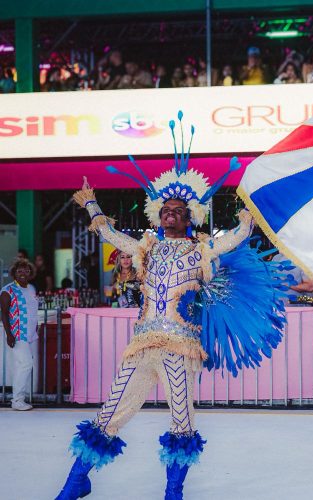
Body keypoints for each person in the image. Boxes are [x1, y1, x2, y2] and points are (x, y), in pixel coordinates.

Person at [54, 115, 290, 500]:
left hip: (180, 348)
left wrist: (251, 210)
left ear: (191, 217)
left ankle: (173, 492)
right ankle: (76, 481)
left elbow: (238, 235)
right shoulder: (145, 246)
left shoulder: (202, 249)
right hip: (141, 346)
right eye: (165, 208)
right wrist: (93, 204)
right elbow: (113, 235)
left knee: (182, 420)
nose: (170, 211)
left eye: (179, 209)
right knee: (111, 411)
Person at [1, 259, 39, 411]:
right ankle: (17, 400)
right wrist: (9, 334)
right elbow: (4, 314)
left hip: (30, 334)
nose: (23, 273)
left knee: (22, 365)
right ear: (14, 273)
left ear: (30, 273)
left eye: (26, 271)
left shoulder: (31, 288)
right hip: (18, 334)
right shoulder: (7, 290)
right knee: (25, 364)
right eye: (19, 271)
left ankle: (20, 398)